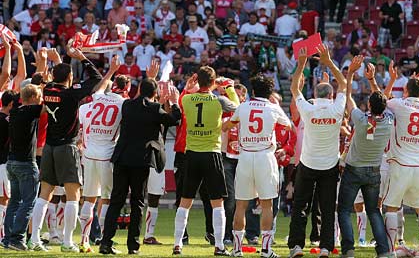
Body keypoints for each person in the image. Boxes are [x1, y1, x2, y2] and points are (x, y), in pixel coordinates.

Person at [100, 66, 181, 255]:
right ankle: (133, 245)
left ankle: (106, 242)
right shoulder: (154, 109)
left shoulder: (127, 105)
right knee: (137, 202)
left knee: (116, 200)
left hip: (122, 158)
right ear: (155, 93)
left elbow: (140, 99)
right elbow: (174, 120)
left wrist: (149, 80)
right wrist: (174, 102)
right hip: (141, 160)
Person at [29, 47, 102, 253]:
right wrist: (83, 58)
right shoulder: (71, 94)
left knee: (44, 194)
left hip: (49, 147)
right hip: (66, 147)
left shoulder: (48, 89)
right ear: (70, 77)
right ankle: (67, 241)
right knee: (73, 196)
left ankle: (34, 239)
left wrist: (53, 62)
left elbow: (39, 80)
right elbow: (96, 78)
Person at [172, 67, 239, 256]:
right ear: (213, 82)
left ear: (197, 80)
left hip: (191, 154)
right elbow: (238, 107)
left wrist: (188, 87)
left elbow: (182, 99)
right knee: (217, 203)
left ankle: (177, 244)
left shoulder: (187, 99)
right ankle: (219, 245)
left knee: (185, 202)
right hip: (212, 154)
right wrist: (229, 87)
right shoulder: (219, 100)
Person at [287, 44, 346, 258]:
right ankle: (324, 248)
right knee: (328, 208)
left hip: (308, 164)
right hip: (329, 165)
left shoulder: (309, 108)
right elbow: (344, 83)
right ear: (332, 96)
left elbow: (294, 89)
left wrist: (302, 63)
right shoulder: (337, 108)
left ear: (314, 93)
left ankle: (296, 247)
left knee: (300, 206)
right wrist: (329, 61)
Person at [223, 75, 291, 258]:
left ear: (253, 91)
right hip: (265, 157)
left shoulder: (243, 107)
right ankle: (266, 250)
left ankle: (237, 250)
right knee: (267, 205)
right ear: (270, 93)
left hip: (245, 157)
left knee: (241, 205)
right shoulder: (273, 107)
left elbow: (227, 126)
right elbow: (289, 125)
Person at [338, 56, 392, 258]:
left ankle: (349, 250)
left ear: (369, 104)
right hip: (374, 171)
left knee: (344, 210)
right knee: (374, 211)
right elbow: (381, 100)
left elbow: (348, 98)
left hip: (353, 170)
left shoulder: (360, 119)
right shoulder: (389, 120)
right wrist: (372, 81)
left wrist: (351, 73)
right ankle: (383, 251)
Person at [382, 65, 419, 258]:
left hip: (400, 164)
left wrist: (392, 79)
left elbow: (382, 99)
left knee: (392, 207)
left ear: (406, 90)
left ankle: (390, 250)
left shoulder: (399, 104)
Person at [77, 58, 126, 253]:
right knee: (106, 199)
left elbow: (100, 86)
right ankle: (105, 241)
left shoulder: (97, 98)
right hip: (107, 154)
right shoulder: (123, 104)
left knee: (89, 198)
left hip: (89, 154)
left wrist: (111, 71)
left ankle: (84, 240)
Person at [4, 84, 43, 251]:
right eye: (39, 97)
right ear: (33, 99)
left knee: (14, 202)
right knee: (28, 202)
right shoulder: (30, 111)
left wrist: (39, 85)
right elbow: (47, 106)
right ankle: (17, 238)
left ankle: (7, 239)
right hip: (26, 163)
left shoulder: (15, 111)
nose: (41, 99)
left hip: (11, 163)